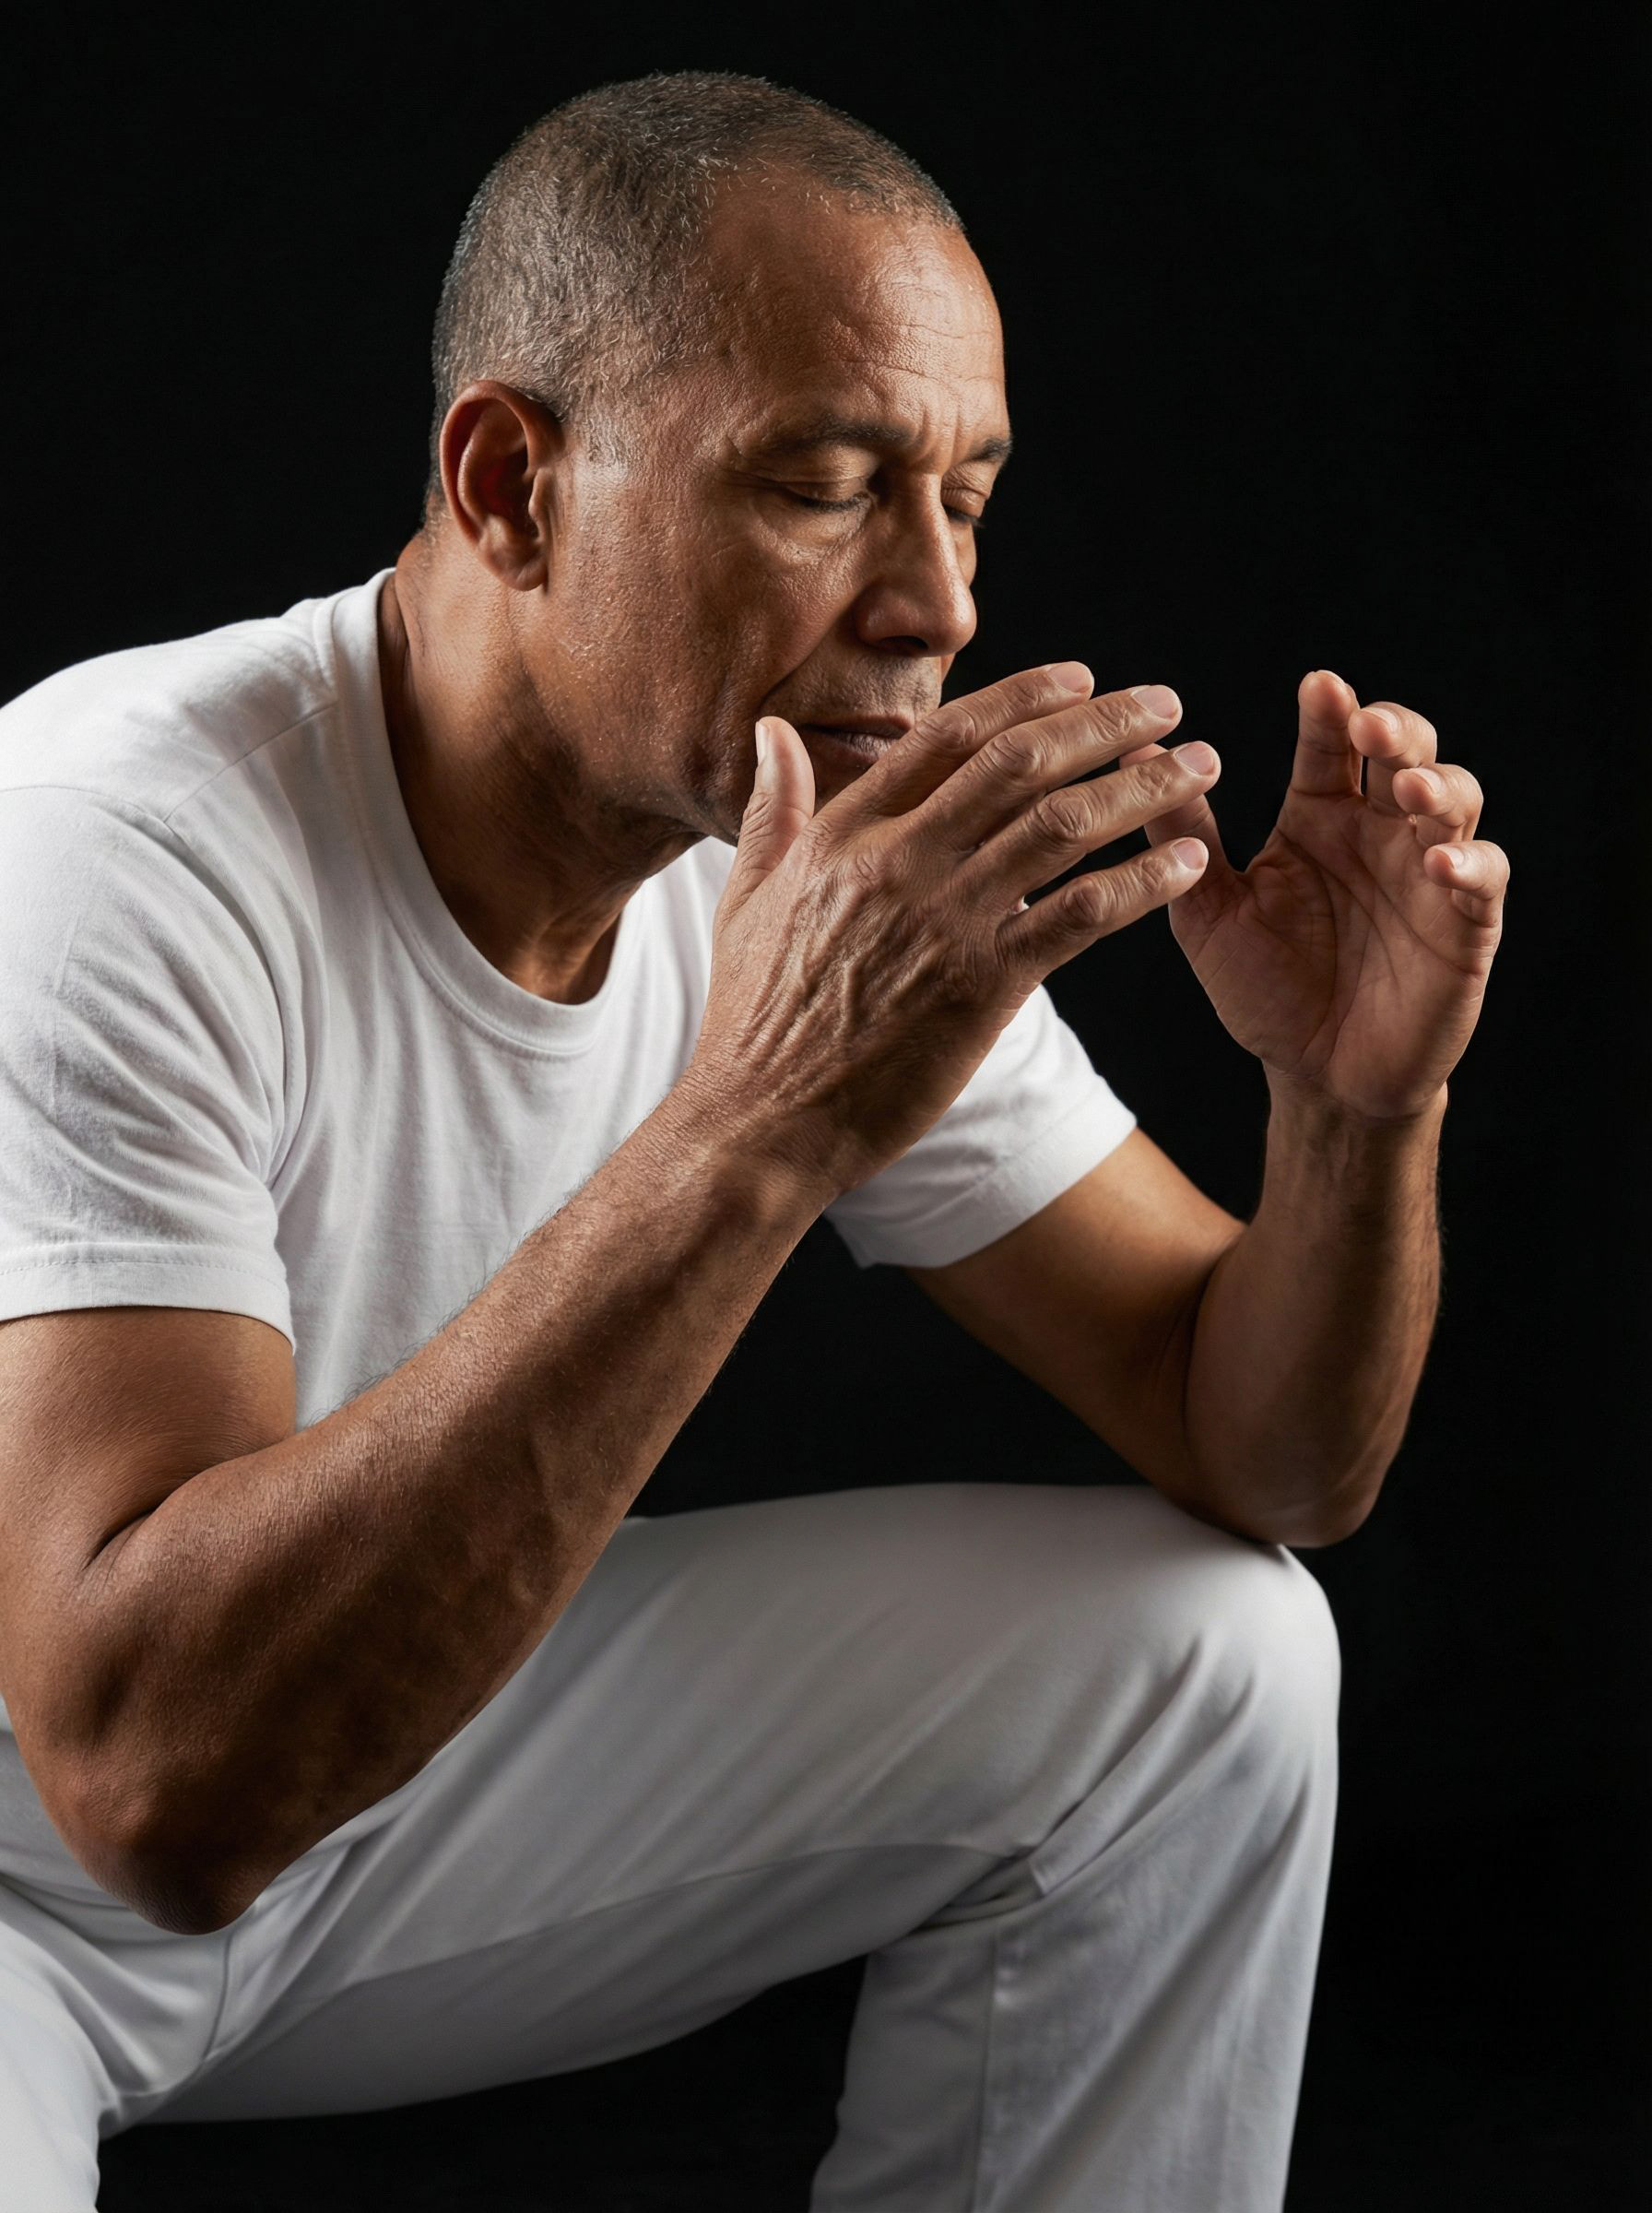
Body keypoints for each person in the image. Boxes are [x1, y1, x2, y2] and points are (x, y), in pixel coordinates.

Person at [0, 67, 1507, 2213]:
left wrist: (1351, 1114)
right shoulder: (110, 846)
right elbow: (152, 1789)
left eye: (964, 499)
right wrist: (763, 1118)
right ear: (510, 485)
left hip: (374, 1806)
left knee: (1213, 1655)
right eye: (820, 485)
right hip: (50, 1869)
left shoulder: (786, 847)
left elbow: (1260, 1450)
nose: (935, 602)